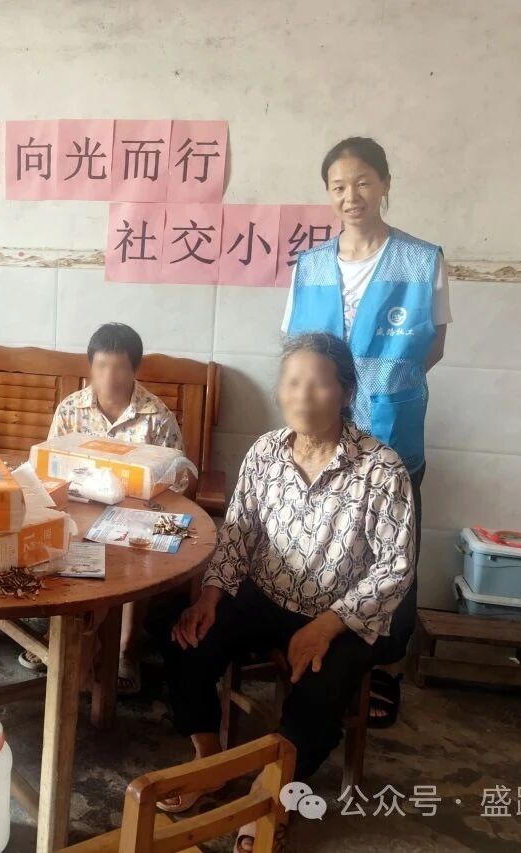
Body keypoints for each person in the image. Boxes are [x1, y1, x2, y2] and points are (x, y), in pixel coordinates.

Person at [156, 333, 414, 844]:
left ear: (345, 392)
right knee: (186, 639)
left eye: (317, 383)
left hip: (344, 613)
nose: (302, 395)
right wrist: (210, 596)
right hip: (267, 594)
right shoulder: (265, 452)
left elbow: (395, 568)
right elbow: (238, 535)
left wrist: (327, 626)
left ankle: (269, 796)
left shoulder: (381, 468)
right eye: (292, 382)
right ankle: (209, 761)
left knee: (319, 690)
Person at [282, 136, 450, 726]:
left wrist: (382, 386)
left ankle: (384, 668)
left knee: (393, 554)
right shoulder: (309, 265)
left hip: (392, 429)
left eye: (362, 182)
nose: (350, 195)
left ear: (384, 184)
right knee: (320, 542)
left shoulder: (422, 259)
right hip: (320, 435)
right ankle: (323, 646)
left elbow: (433, 344)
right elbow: (294, 347)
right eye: (338, 186)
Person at [22, 323, 184, 694]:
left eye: (120, 367)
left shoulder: (156, 416)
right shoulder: (71, 409)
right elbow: (50, 467)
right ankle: (62, 632)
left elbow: (176, 481)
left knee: (139, 550)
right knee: (61, 536)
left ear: (135, 369)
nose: (109, 377)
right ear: (90, 366)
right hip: (79, 508)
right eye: (101, 366)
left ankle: (126, 646)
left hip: (136, 514)